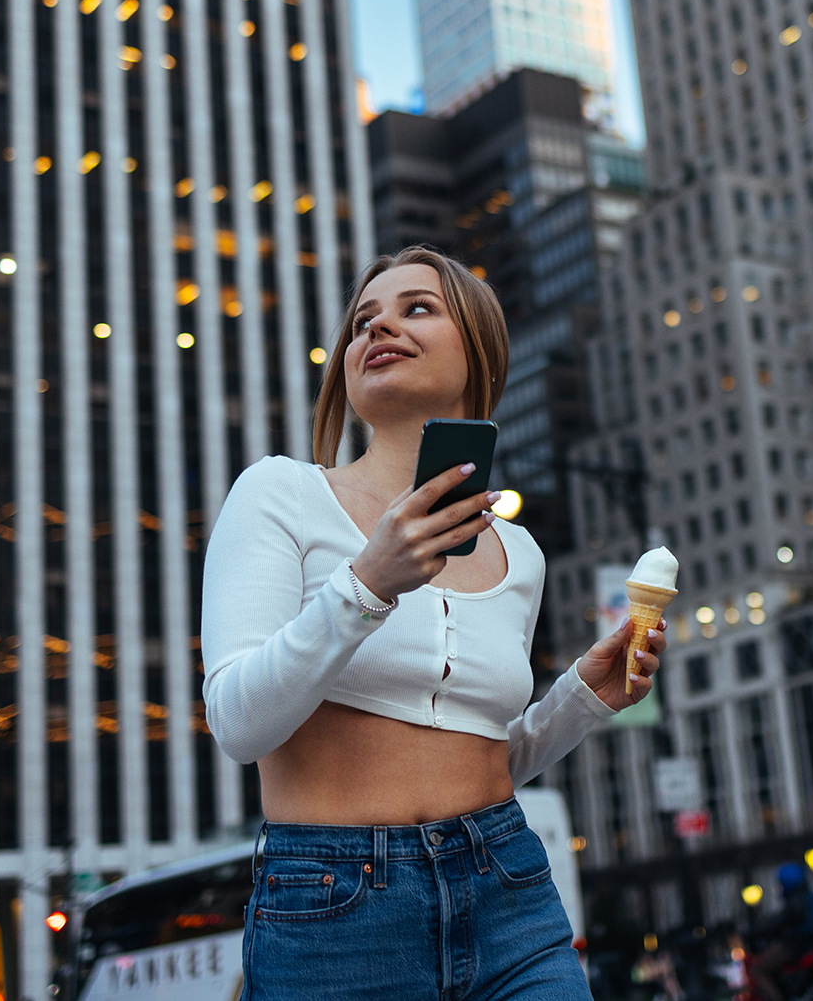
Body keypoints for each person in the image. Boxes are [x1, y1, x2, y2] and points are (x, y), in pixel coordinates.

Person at [203, 246, 665, 999]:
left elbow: (482, 762)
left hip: (508, 889)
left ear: (478, 352)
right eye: (362, 321)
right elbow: (236, 723)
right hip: (333, 912)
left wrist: (582, 698)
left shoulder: (520, 554)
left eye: (417, 307)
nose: (380, 323)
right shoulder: (278, 494)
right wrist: (368, 583)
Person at [746, 863, 813, 1001]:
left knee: (758, 969)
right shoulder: (810, 897)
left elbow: (776, 924)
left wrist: (753, 932)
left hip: (797, 947)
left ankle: (775, 998)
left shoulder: (795, 902)